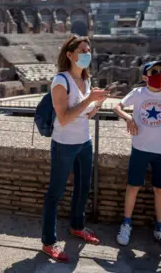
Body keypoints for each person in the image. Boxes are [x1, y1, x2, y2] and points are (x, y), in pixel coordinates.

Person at [41, 35, 108, 263]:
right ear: (70, 55)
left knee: (83, 187)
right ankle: (48, 242)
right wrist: (89, 97)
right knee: (55, 193)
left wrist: (96, 104)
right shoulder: (61, 81)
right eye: (82, 50)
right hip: (64, 144)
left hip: (84, 142)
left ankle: (77, 226)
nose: (87, 53)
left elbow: (86, 115)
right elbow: (65, 117)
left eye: (88, 49)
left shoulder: (86, 79)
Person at [113, 61, 161, 253]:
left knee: (160, 190)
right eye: (154, 71)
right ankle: (126, 224)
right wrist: (129, 117)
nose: (159, 74)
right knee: (133, 187)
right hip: (139, 148)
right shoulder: (138, 93)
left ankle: (160, 228)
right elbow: (117, 106)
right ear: (144, 77)